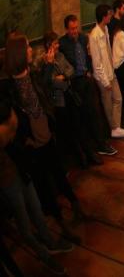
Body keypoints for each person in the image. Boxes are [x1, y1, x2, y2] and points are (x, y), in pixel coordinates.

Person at [0, 101, 72, 275]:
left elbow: (13, 122)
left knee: (37, 210)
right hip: (6, 182)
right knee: (24, 224)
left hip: (21, 171)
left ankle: (50, 242)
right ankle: (44, 255)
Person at [38, 32, 102, 168]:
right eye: (55, 43)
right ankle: (80, 158)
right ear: (49, 45)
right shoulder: (43, 62)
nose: (58, 45)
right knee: (70, 130)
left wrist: (63, 76)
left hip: (70, 94)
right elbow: (49, 82)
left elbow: (71, 69)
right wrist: (60, 79)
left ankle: (89, 153)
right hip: (59, 101)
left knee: (79, 124)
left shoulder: (60, 56)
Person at [58, 15, 114, 156]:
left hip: (86, 79)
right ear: (66, 29)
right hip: (74, 83)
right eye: (72, 28)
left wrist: (89, 70)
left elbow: (89, 56)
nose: (75, 31)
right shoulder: (62, 44)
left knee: (94, 112)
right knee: (81, 117)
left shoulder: (83, 38)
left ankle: (101, 144)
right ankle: (89, 148)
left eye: (76, 27)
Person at [89, 4, 124, 141]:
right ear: (104, 16)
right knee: (107, 103)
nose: (111, 17)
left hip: (111, 72)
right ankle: (112, 128)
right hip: (103, 76)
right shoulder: (94, 35)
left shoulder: (105, 29)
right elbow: (97, 62)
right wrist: (105, 81)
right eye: (109, 15)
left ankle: (116, 127)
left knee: (118, 98)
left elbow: (108, 53)